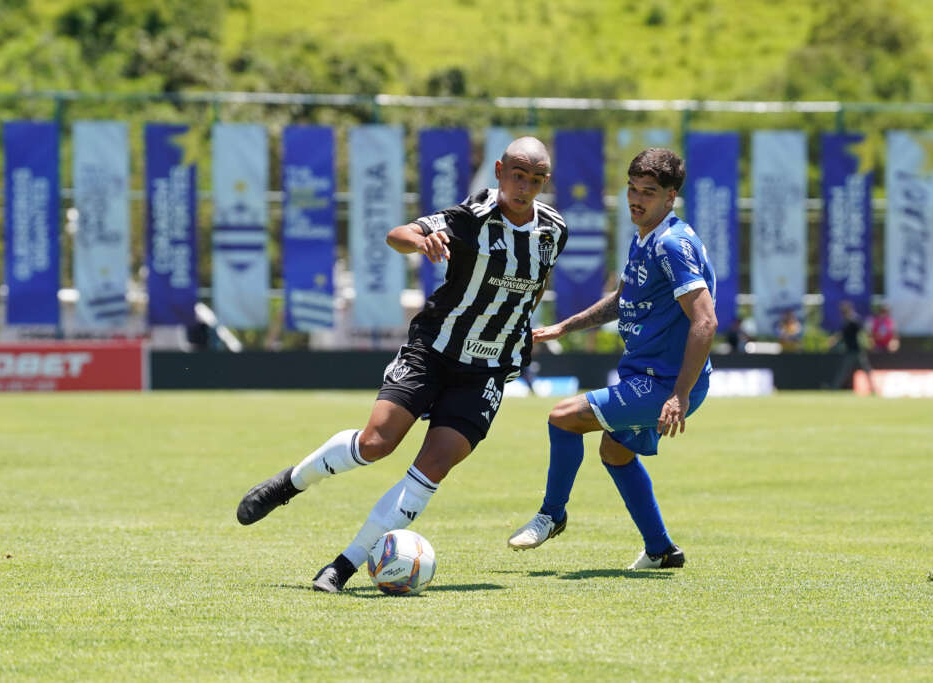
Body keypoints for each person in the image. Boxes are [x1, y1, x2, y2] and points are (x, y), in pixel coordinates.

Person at [235, 136, 568, 592]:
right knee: (375, 443)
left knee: (434, 465)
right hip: (434, 349)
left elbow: (532, 284)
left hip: (489, 369)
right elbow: (398, 234)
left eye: (534, 179)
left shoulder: (554, 230)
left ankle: (343, 566)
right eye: (516, 175)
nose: (524, 186)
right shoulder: (470, 217)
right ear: (498, 170)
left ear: (544, 181)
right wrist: (422, 241)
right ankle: (288, 484)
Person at [507, 148, 717, 570]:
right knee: (616, 453)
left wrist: (678, 395)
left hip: (664, 382)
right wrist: (565, 327)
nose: (637, 200)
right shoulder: (646, 238)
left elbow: (705, 320)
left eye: (649, 193)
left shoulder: (672, 244)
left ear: (670, 196)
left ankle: (552, 514)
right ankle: (661, 550)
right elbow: (622, 301)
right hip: (646, 376)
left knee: (563, 417)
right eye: (632, 189)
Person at [829, 300, 875, 392]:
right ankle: (835, 387)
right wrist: (835, 340)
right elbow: (842, 335)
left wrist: (868, 342)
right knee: (844, 370)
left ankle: (873, 388)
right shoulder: (846, 321)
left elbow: (862, 332)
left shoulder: (854, 320)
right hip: (850, 350)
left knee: (866, 370)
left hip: (857, 350)